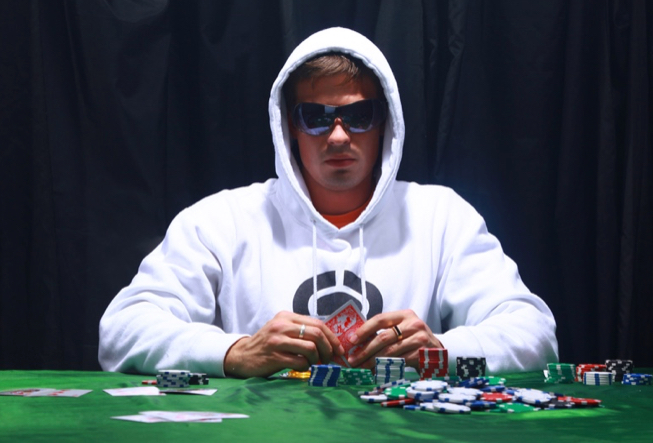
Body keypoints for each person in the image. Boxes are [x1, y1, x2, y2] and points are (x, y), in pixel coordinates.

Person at [98, 27, 559, 378]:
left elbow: (536, 337)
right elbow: (122, 332)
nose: (338, 136)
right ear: (288, 127)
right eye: (316, 117)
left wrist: (440, 351)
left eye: (359, 115)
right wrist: (235, 352)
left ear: (387, 123)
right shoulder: (221, 220)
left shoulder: (442, 217)